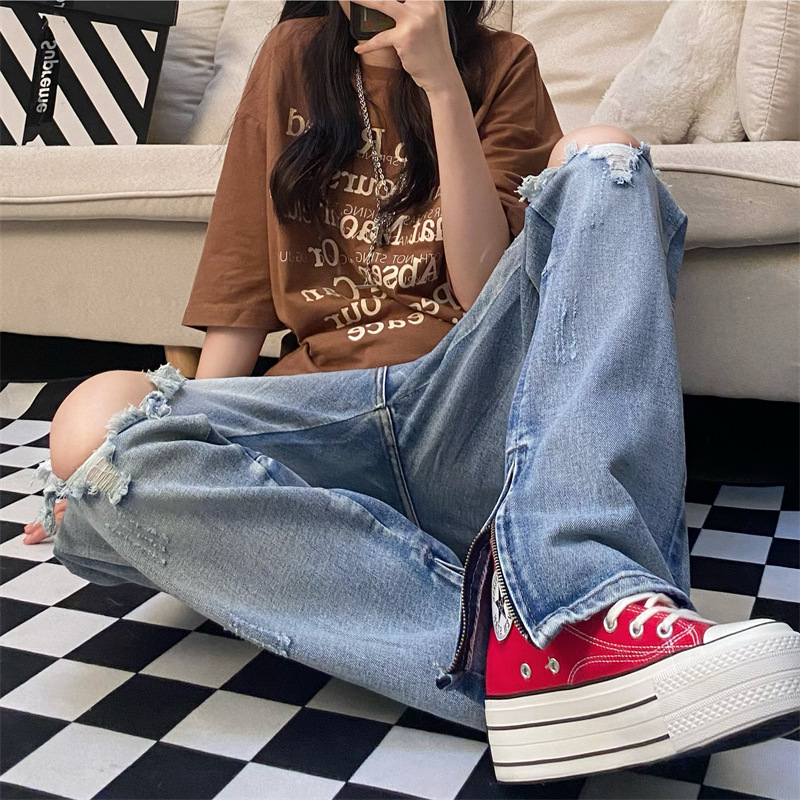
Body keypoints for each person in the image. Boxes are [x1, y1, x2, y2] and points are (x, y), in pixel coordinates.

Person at [24, 0, 799, 785]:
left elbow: (485, 286)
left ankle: (577, 592)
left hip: (469, 410)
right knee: (94, 422)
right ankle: (554, 653)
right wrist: (172, 448)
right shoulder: (289, 57)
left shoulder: (503, 63)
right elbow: (241, 294)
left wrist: (442, 88)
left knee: (603, 154)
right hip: (325, 422)